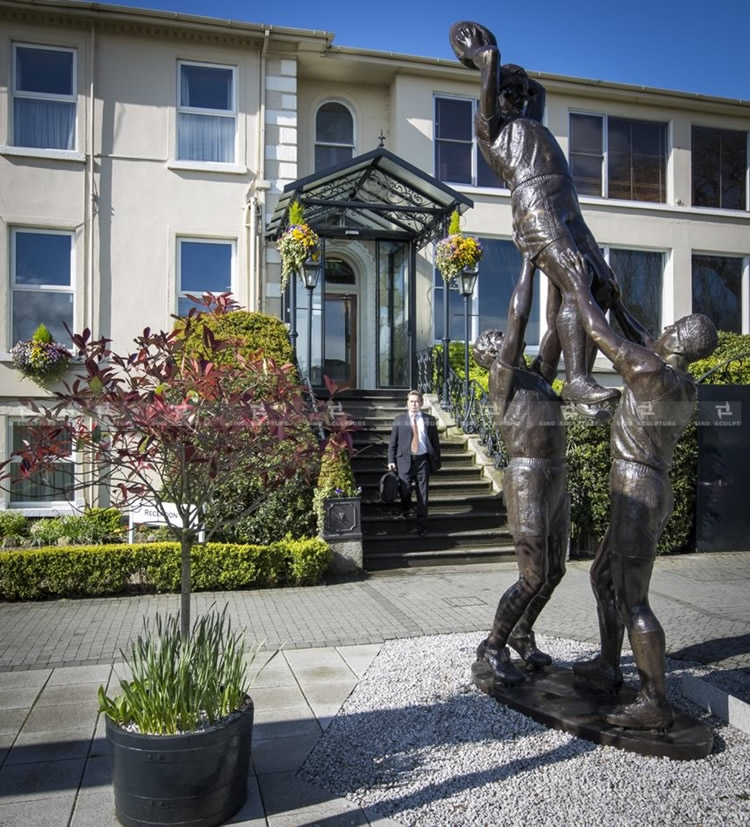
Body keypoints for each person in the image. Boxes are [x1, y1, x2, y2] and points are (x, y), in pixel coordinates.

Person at [449, 21, 652, 411]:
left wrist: (520, 80)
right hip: (535, 203)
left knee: (603, 285)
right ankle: (576, 380)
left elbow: (538, 90)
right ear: (498, 96)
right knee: (577, 278)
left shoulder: (530, 121)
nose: (523, 99)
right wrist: (477, 52)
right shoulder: (490, 128)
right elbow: (490, 59)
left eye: (523, 94)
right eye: (512, 93)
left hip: (566, 201)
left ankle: (629, 351)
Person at [562, 249, 718, 729]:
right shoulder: (681, 381)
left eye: (670, 326)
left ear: (676, 338)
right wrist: (618, 298)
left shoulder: (649, 373)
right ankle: (610, 667)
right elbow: (636, 333)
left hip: (636, 485)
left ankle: (655, 702)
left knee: (634, 599)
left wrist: (580, 289)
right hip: (649, 487)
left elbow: (599, 333)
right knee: (601, 578)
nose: (663, 328)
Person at [472, 260, 568, 685]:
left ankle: (523, 632)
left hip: (556, 474)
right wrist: (528, 264)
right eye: (497, 344)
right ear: (490, 358)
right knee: (531, 575)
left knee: (556, 569)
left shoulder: (538, 379)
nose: (505, 343)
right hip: (527, 476)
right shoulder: (502, 380)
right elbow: (519, 319)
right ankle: (494, 645)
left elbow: (556, 334)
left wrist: (561, 279)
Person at [387, 390, 441, 536]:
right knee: (404, 490)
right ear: (407, 403)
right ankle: (406, 506)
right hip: (404, 461)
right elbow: (393, 443)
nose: (414, 404)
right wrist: (391, 460)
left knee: (423, 495)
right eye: (411, 401)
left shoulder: (430, 420)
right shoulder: (400, 419)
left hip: (422, 461)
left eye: (416, 401)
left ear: (421, 403)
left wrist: (436, 461)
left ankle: (422, 526)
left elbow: (435, 442)